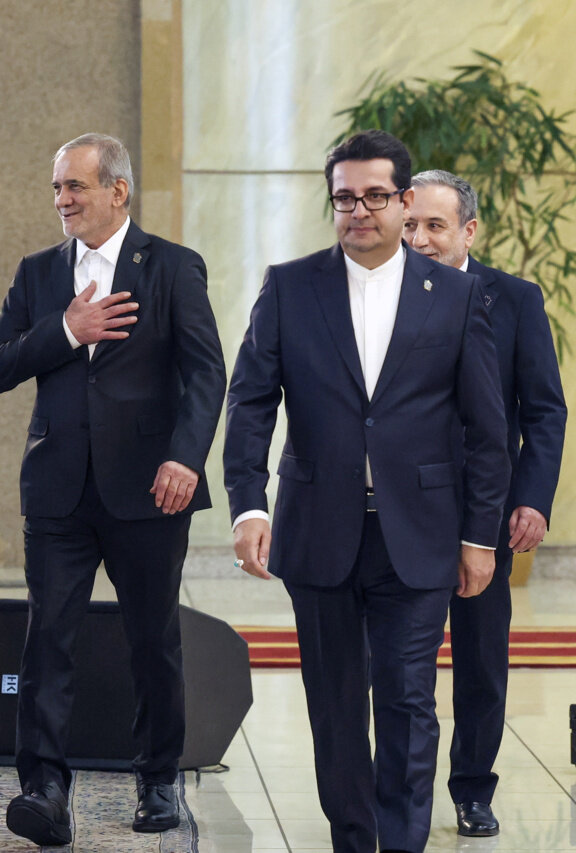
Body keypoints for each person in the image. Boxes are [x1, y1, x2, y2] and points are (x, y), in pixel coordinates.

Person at [224, 130, 511, 853]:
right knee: (336, 707)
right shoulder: (290, 286)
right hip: (318, 527)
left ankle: (403, 843)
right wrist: (249, 504)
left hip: (420, 533)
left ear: (404, 201)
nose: (359, 210)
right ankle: (354, 839)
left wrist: (479, 536)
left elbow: (487, 428)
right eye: (345, 197)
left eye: (375, 196)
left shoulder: (456, 295)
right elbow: (250, 401)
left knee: (409, 700)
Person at [0, 132, 226, 846]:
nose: (62, 199)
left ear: (119, 190)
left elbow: (206, 373)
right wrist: (65, 329)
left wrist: (185, 458)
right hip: (57, 489)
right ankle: (45, 788)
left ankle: (158, 777)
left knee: (152, 638)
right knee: (48, 640)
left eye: (75, 186)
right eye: (57, 187)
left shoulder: (172, 267)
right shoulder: (37, 273)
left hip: (151, 488)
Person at [405, 169, 567, 837]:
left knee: (480, 661)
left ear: (468, 231)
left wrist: (532, 498)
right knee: (401, 666)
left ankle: (473, 789)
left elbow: (545, 409)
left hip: (485, 511)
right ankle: (403, 794)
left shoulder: (515, 299)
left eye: (434, 226)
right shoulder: (376, 293)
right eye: (409, 225)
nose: (419, 239)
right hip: (400, 511)